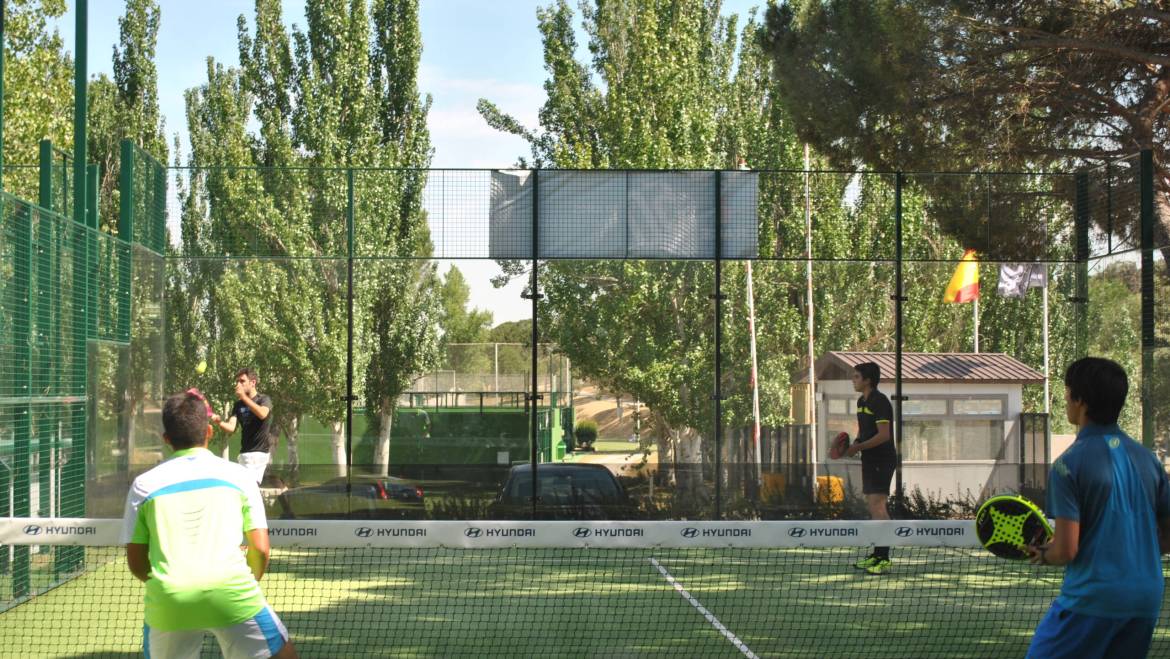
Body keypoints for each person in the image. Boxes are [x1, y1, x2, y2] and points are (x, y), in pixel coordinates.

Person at [122, 389, 297, 658]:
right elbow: (260, 550)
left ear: (166, 439)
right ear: (210, 433)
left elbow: (137, 563)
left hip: (169, 601)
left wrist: (176, 586)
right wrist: (246, 581)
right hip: (231, 594)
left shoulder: (144, 486)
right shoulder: (240, 477)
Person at [1025, 357, 1170, 658]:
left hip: (1093, 599)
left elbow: (1066, 551)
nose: (1065, 398)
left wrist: (1043, 554)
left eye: (1067, 392)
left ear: (1080, 400)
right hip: (1145, 599)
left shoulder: (1067, 465)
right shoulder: (1149, 460)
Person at [843, 362, 896, 575]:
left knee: (878, 505)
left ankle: (883, 558)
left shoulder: (880, 402)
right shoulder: (860, 402)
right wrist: (853, 445)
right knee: (873, 507)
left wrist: (858, 447)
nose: (853, 380)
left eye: (856, 377)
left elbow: (884, 435)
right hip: (869, 459)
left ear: (867, 380)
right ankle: (876, 554)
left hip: (882, 459)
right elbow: (865, 432)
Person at [213, 368, 274, 484]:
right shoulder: (238, 405)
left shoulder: (264, 399)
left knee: (248, 487)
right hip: (244, 454)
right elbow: (231, 428)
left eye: (242, 381)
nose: (238, 384)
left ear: (253, 383)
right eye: (237, 381)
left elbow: (262, 414)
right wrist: (219, 422)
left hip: (258, 454)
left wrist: (244, 398)